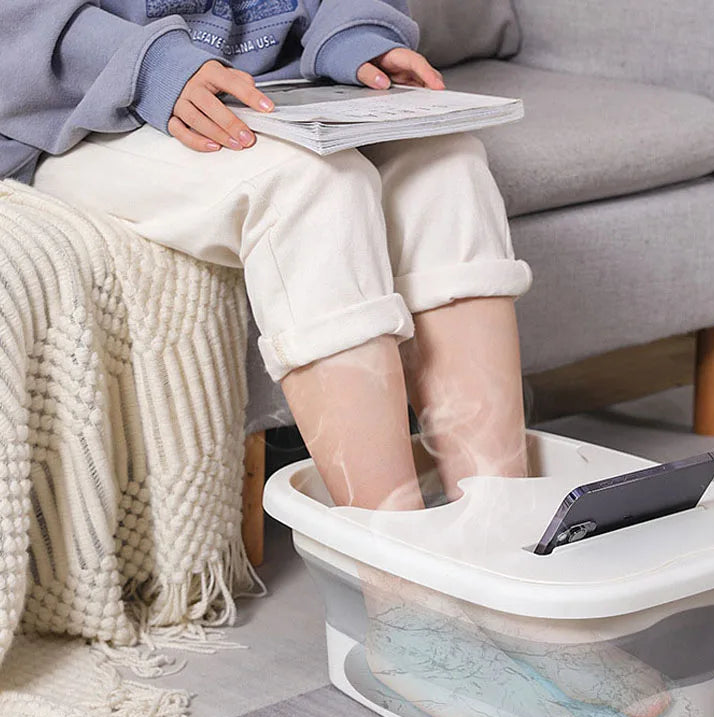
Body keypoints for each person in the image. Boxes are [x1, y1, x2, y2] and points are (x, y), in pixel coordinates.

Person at [0, 0, 534, 515]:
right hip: (84, 108)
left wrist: (356, 32)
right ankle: (397, 576)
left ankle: (507, 547)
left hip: (275, 90)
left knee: (448, 166)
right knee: (314, 188)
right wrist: (150, 67)